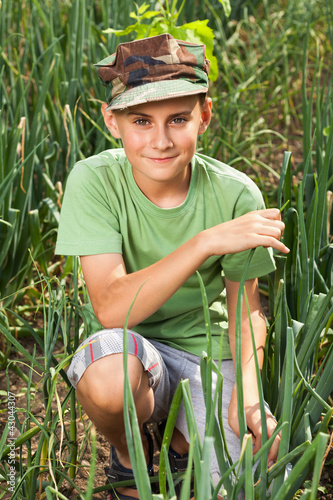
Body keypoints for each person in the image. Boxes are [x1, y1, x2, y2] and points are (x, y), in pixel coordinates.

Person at [55, 33, 289, 499]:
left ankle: (181, 442)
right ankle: (130, 455)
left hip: (208, 353)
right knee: (109, 376)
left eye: (178, 119)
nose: (160, 141)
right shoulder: (94, 180)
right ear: (112, 121)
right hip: (127, 344)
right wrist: (204, 242)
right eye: (141, 121)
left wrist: (247, 391)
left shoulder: (235, 193)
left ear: (204, 115)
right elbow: (112, 309)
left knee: (253, 485)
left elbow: (246, 309)